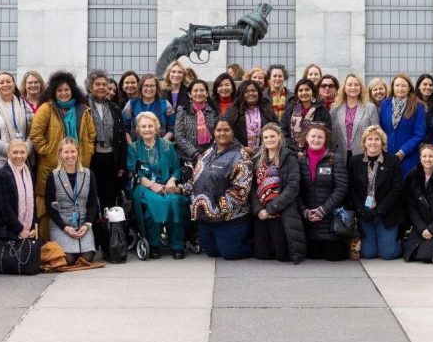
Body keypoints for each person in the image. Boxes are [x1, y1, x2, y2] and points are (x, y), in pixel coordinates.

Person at [31, 70, 95, 239]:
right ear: (53, 92)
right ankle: (46, 243)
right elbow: (36, 135)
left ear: (73, 90)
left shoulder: (83, 109)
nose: (63, 93)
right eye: (59, 90)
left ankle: (76, 239)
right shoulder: (46, 108)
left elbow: (91, 136)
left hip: (78, 165)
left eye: (67, 90)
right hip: (51, 165)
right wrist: (49, 153)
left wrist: (87, 154)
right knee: (48, 204)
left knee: (76, 202)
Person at [182, 118, 254, 260]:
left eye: (226, 130)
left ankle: (255, 243)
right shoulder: (208, 152)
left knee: (229, 253)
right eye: (219, 130)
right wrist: (181, 189)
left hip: (230, 217)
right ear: (213, 132)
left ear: (233, 132)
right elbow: (195, 179)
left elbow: (240, 192)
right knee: (212, 252)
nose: (222, 133)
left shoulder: (240, 157)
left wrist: (216, 208)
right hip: (205, 219)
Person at [128, 112, 187, 258]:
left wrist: (172, 180)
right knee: (155, 201)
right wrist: (152, 185)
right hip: (144, 186)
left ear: (156, 128)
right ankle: (153, 244)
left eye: (150, 126)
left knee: (175, 201)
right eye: (143, 126)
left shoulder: (167, 146)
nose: (147, 129)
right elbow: (133, 172)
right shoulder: (134, 148)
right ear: (138, 129)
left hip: (166, 185)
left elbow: (177, 169)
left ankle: (177, 244)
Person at [250, 123, 304, 262]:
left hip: (280, 211)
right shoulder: (257, 159)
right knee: (262, 255)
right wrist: (258, 210)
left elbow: (293, 187)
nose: (269, 140)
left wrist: (271, 209)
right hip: (261, 213)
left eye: (272, 136)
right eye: (266, 137)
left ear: (279, 137)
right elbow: (251, 187)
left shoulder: (289, 158)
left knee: (282, 255)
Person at [348, 125, 404, 259]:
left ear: (382, 143)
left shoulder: (392, 161)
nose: (373, 142)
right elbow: (350, 188)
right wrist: (361, 210)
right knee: (368, 253)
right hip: (364, 213)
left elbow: (397, 188)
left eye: (377, 139)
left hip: (386, 213)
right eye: (370, 139)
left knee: (388, 254)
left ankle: (402, 242)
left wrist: (379, 210)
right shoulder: (354, 161)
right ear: (364, 142)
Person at [298, 125, 349, 261]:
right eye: (313, 136)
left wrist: (323, 210)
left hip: (330, 221)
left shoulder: (335, 159)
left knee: (333, 257)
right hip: (307, 222)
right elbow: (294, 189)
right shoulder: (298, 159)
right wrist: (305, 211)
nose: (316, 139)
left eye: (320, 137)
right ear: (306, 138)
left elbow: (341, 187)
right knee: (313, 256)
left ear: (325, 139)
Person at [46, 138, 99, 265]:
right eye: (66, 152)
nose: (70, 155)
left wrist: (87, 225)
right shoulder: (53, 176)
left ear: (78, 152)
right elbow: (49, 206)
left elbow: (93, 203)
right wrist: (65, 228)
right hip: (62, 224)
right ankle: (69, 250)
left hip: (83, 223)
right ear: (60, 154)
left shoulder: (88, 174)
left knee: (87, 258)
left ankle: (82, 245)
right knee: (68, 259)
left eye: (73, 151)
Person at [86, 70, 127, 214]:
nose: (101, 87)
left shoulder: (114, 108)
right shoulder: (83, 107)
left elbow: (121, 139)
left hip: (111, 158)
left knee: (109, 196)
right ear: (90, 87)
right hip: (91, 157)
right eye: (97, 84)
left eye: (104, 84)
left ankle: (109, 230)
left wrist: (122, 164)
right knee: (91, 194)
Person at [379, 74, 427, 178]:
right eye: (397, 85)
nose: (400, 88)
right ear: (392, 87)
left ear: (409, 87)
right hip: (387, 156)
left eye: (404, 86)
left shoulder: (418, 106)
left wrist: (402, 152)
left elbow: (419, 134)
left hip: (408, 157)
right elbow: (380, 130)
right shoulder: (385, 104)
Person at [0, 139, 38, 241]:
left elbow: (33, 203)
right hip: (7, 232)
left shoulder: (30, 175)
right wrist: (20, 229)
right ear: (8, 153)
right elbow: (4, 208)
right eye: (15, 152)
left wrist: (34, 226)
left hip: (28, 232)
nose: (19, 156)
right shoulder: (0, 175)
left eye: (22, 152)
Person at [330, 73, 378, 160]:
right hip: (340, 155)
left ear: (360, 88)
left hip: (364, 155)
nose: (353, 87)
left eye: (356, 85)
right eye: (349, 85)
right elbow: (331, 134)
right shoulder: (334, 109)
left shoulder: (370, 108)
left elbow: (376, 133)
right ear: (344, 88)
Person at [225, 80, 278, 150]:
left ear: (258, 92)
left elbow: (276, 128)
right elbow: (227, 133)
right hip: (240, 152)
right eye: (246, 91)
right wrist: (241, 148)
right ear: (241, 94)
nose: (251, 93)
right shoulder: (233, 110)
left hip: (265, 151)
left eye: (253, 90)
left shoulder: (266, 107)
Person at [281, 79, 332, 150]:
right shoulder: (290, 111)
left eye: (307, 89)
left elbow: (327, 132)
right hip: (293, 152)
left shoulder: (322, 110)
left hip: (315, 151)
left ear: (313, 91)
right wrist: (294, 150)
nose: (304, 92)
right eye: (300, 90)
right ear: (297, 93)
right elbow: (283, 131)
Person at [174, 80, 218, 163]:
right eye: (195, 90)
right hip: (186, 158)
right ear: (190, 94)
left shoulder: (213, 111)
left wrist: (207, 154)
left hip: (210, 157)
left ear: (207, 93)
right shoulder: (183, 110)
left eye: (202, 90)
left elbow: (217, 136)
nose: (199, 93)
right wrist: (195, 154)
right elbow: (179, 136)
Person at [122, 74, 175, 143]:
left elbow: (172, 128)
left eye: (152, 86)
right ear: (141, 87)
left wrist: (161, 144)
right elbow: (124, 129)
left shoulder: (165, 104)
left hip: (161, 148)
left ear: (156, 88)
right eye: (146, 86)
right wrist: (132, 146)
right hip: (137, 148)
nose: (149, 89)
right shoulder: (131, 104)